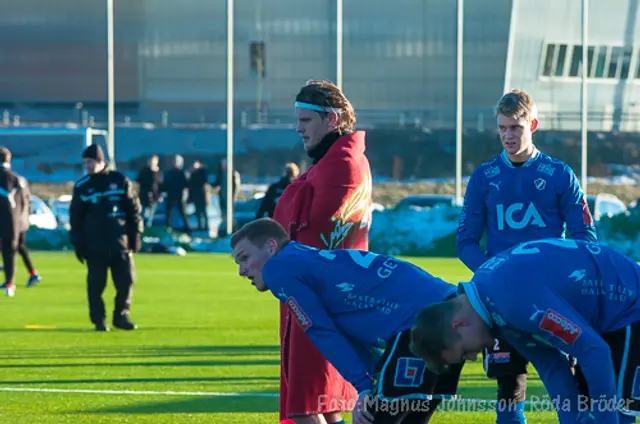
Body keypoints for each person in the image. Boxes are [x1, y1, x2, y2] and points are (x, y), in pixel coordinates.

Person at [231, 218, 463, 424]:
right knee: (409, 416)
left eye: (245, 258)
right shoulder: (302, 258)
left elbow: (321, 331)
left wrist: (364, 387)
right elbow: (347, 334)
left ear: (271, 247)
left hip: (422, 321)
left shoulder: (277, 268)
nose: (242, 271)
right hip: (450, 308)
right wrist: (372, 380)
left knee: (375, 417)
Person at [455, 89, 597, 424]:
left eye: (515, 128)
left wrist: (563, 277)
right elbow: (466, 242)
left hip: (553, 296)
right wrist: (495, 273)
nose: (507, 135)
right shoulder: (484, 177)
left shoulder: (560, 174)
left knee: (568, 378)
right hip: (503, 299)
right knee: (508, 385)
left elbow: (584, 237)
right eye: (502, 128)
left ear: (532, 124)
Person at [412, 238, 640, 424]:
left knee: (616, 414)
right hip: (609, 316)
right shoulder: (492, 305)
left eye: (463, 352)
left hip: (630, 307)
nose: (472, 357)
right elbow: (550, 365)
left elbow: (593, 351)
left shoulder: (514, 302)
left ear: (459, 324)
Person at [273, 80, 373, 424]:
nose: (298, 129)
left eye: (305, 121)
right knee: (323, 404)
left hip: (320, 296)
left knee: (307, 406)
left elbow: (304, 226)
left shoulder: (341, 165)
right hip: (323, 293)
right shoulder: (335, 162)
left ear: (331, 119)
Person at [69, 144, 143, 331]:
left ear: (102, 162)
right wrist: (78, 244)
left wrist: (135, 235)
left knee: (126, 281)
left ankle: (121, 316)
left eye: (91, 162)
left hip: (120, 243)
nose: (88, 166)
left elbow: (134, 211)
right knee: (95, 286)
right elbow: (75, 218)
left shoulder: (119, 181)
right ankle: (99, 320)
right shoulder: (82, 187)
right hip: (95, 246)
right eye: (86, 162)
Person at [0, 147, 41, 297]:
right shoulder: (19, 179)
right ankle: (31, 274)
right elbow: (26, 201)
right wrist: (25, 218)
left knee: (10, 249)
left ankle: (10, 283)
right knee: (17, 247)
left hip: (8, 221)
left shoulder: (7, 178)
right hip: (20, 221)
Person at [162, 154, 190, 234]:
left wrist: (185, 194)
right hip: (171, 195)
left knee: (183, 213)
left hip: (180, 195)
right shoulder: (169, 173)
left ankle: (187, 228)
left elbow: (186, 185)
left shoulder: (182, 173)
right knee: (168, 213)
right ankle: (167, 228)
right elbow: (165, 184)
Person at [136, 154, 162, 228]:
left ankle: (148, 228)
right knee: (143, 214)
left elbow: (160, 185)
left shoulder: (158, 172)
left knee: (150, 215)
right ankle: (141, 228)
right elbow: (139, 182)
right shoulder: (144, 171)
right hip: (144, 196)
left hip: (154, 197)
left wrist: (158, 195)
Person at [187, 160, 210, 232]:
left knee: (203, 212)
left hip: (202, 196)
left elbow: (205, 183)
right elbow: (190, 186)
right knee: (198, 213)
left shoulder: (202, 173)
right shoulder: (193, 174)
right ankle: (200, 226)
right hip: (196, 196)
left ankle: (205, 226)